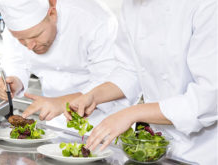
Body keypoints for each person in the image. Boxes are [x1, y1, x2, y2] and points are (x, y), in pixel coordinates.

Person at [65, 0, 217, 164]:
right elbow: (130, 70)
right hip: (158, 147)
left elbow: (207, 99)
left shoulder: (206, 5)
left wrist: (132, 113)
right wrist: (93, 96)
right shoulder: (131, 6)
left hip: (205, 151)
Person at [0, 0, 130, 129]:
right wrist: (15, 81)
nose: (29, 46)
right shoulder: (17, 26)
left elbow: (114, 79)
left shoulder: (93, 18)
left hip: (105, 122)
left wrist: (62, 102)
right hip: (56, 121)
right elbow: (16, 60)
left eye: (36, 35)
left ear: (52, 14)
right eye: (21, 40)